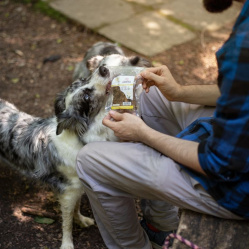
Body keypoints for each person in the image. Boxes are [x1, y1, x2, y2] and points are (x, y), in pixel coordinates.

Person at [76, 0, 249, 248]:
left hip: (235, 188)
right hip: (229, 142)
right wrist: (178, 91)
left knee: (89, 160)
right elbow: (238, 92)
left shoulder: (244, 46)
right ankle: (161, 224)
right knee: (142, 90)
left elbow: (218, 163)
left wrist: (144, 134)